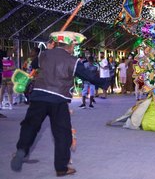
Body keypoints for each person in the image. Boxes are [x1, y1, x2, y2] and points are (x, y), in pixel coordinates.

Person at [10, 31, 108, 176]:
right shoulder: (73, 61)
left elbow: (35, 64)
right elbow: (88, 76)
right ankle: (61, 168)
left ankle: (21, 150)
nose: (74, 48)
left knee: (30, 125)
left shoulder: (43, 55)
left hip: (39, 96)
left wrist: (48, 50)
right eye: (74, 45)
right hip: (58, 99)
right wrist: (104, 83)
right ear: (69, 45)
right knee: (62, 133)